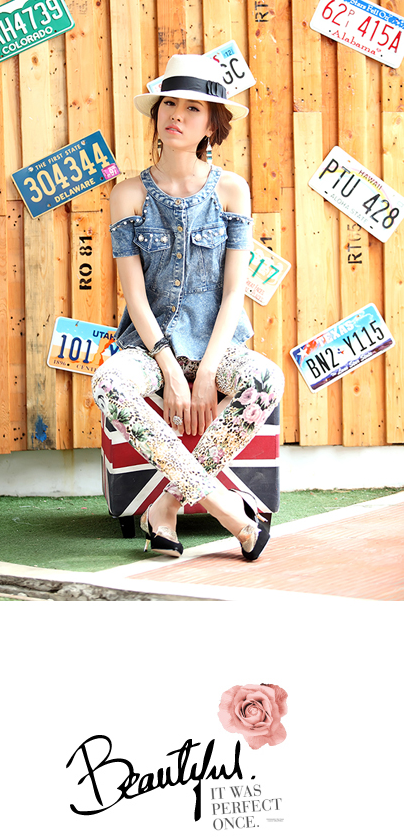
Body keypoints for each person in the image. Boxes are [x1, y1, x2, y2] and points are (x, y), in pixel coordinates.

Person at [92, 54, 284, 560]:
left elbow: (233, 292)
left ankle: (166, 505)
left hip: (216, 343)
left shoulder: (232, 190)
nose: (176, 114)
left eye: (192, 108)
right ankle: (225, 508)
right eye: (169, 104)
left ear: (211, 125)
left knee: (266, 379)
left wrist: (208, 371)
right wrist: (171, 371)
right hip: (150, 347)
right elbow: (134, 296)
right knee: (108, 382)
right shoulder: (128, 194)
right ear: (157, 113)